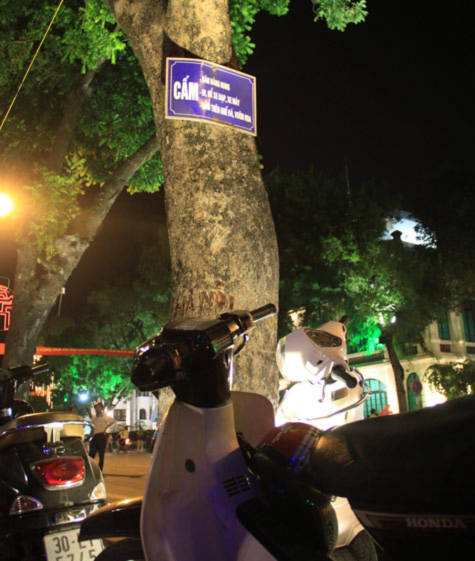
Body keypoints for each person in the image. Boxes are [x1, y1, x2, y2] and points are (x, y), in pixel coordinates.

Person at [89, 402, 116, 471]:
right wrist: (90, 435)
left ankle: (100, 470)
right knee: (91, 454)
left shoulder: (104, 416)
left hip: (101, 435)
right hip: (94, 436)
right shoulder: (94, 417)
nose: (97, 409)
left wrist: (106, 427)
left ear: (101, 408)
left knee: (101, 454)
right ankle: (90, 469)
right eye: (96, 407)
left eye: (99, 407)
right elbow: (92, 426)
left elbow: (113, 421)